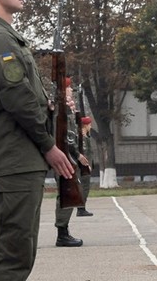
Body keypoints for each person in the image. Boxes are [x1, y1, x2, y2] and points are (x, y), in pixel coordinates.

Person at [0, 0, 74, 279]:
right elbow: (17, 98)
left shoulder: (5, 35)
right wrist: (48, 145)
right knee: (13, 250)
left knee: (20, 246)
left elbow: (25, 95)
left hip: (19, 155)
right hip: (15, 156)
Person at [54, 77, 85, 247]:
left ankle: (63, 231)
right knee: (67, 193)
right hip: (63, 155)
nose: (71, 91)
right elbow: (66, 135)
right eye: (68, 89)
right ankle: (62, 233)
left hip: (66, 154)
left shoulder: (67, 109)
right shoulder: (61, 109)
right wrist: (76, 154)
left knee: (70, 192)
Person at [77, 116, 94, 217]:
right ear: (86, 125)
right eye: (89, 124)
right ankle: (81, 208)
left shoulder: (85, 136)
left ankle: (82, 207)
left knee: (85, 187)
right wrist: (87, 165)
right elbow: (84, 153)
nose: (90, 126)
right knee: (84, 187)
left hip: (85, 165)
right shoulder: (82, 138)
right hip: (83, 167)